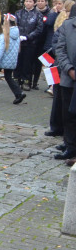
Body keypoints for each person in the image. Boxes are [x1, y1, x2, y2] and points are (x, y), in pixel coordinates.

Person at [53, 13, 76, 160]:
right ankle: (70, 146)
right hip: (69, 78)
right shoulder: (68, 26)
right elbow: (60, 50)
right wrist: (69, 69)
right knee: (68, 115)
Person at [15, 0, 44, 90]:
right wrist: (18, 35)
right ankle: (16, 79)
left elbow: (39, 29)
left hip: (31, 43)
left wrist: (28, 37)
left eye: (30, 1)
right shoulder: (19, 13)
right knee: (18, 61)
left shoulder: (38, 14)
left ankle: (26, 81)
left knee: (28, 62)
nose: (28, 3)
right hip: (19, 41)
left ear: (34, 3)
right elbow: (15, 24)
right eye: (27, 1)